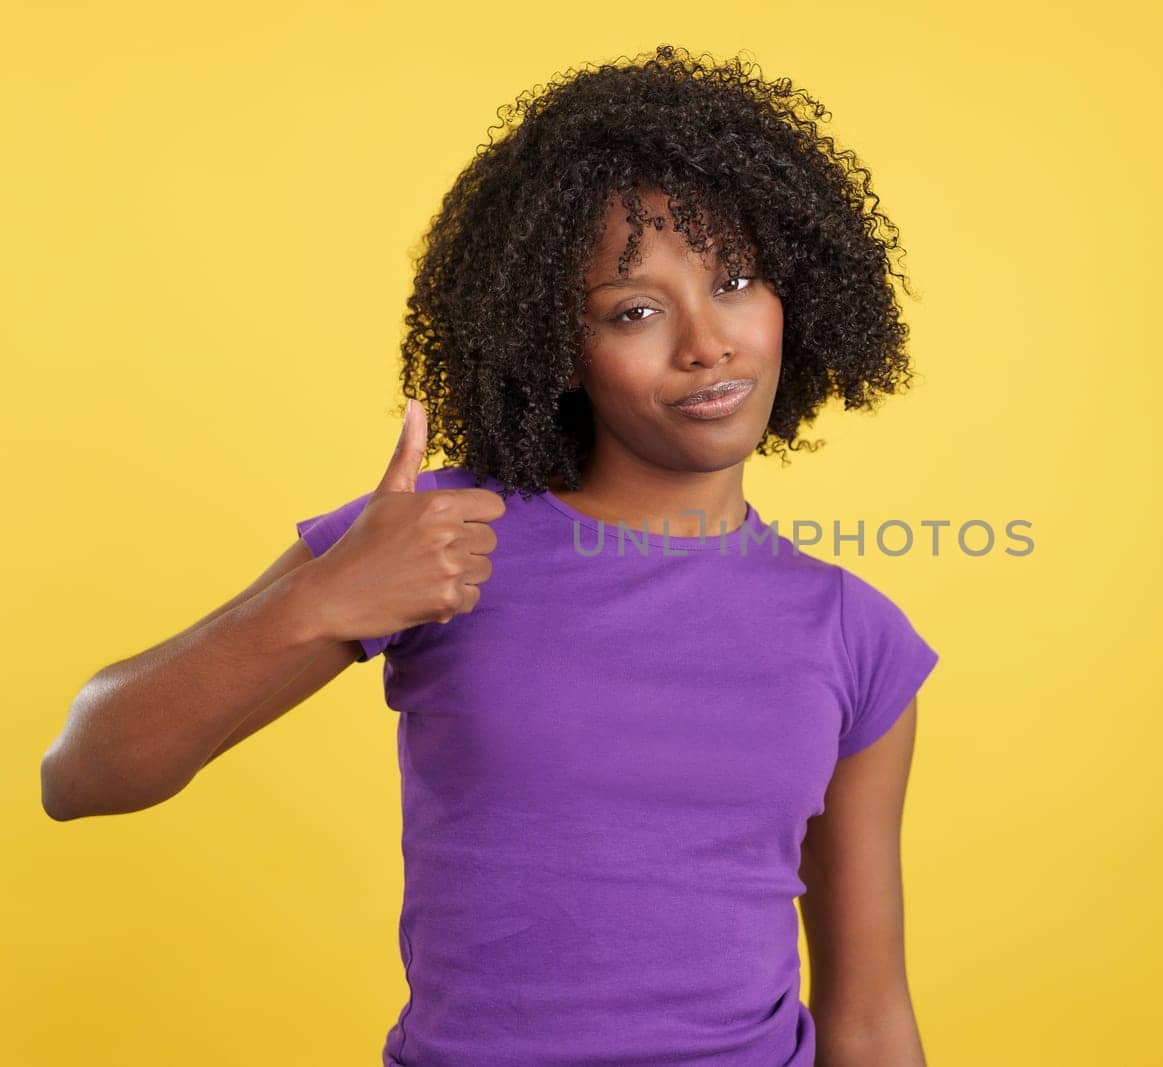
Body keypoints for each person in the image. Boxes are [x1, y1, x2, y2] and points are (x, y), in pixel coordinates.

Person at [43, 44, 939, 1066]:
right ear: (555, 345)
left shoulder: (856, 635)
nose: (707, 343)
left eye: (735, 280)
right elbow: (83, 771)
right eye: (632, 309)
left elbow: (868, 1015)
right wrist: (321, 600)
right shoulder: (434, 535)